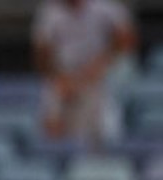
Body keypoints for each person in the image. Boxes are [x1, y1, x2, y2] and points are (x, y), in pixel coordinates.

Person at [33, 0, 137, 145]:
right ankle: (56, 157)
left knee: (104, 121)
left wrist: (100, 65)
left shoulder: (105, 6)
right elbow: (42, 54)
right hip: (64, 73)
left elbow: (126, 39)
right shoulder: (49, 11)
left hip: (100, 73)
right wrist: (60, 78)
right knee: (52, 112)